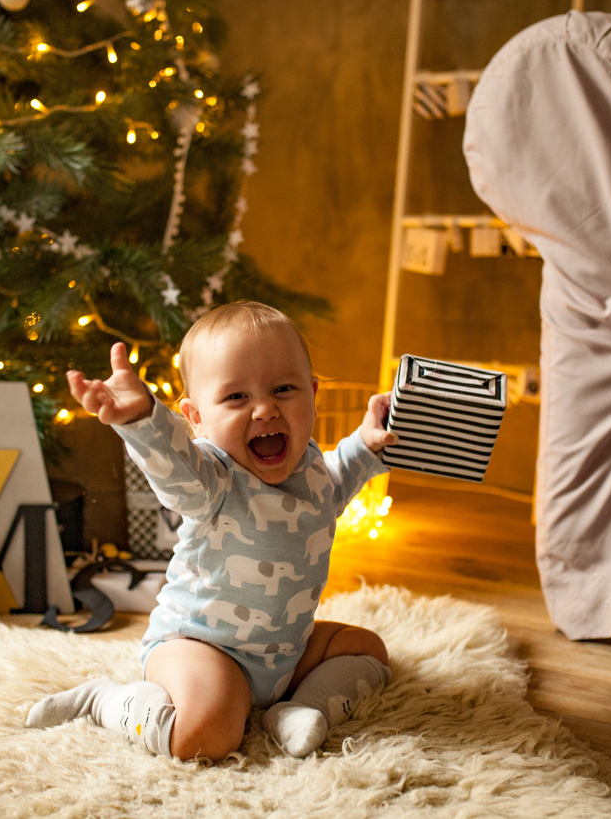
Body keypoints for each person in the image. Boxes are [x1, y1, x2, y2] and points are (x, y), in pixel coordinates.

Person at [26, 301, 397, 762]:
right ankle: (105, 701)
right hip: (201, 647)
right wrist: (142, 420)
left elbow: (339, 477)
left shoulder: (312, 470)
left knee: (368, 650)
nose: (265, 409)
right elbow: (173, 467)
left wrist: (366, 440)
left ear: (313, 394)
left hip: (286, 649)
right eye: (236, 397)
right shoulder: (211, 479)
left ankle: (298, 708)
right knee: (205, 735)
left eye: (284, 389)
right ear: (196, 418)